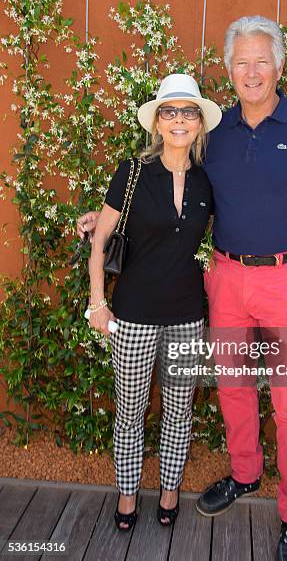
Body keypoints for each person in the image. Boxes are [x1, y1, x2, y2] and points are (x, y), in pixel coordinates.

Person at [79, 16, 287, 560]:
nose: (251, 71)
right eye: (240, 62)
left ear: (279, 65)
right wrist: (106, 217)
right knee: (232, 386)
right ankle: (245, 473)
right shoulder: (217, 136)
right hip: (227, 279)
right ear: (228, 70)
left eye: (261, 60)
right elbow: (170, 196)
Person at [85, 73, 221, 531]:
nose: (178, 120)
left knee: (179, 412)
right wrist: (97, 302)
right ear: (157, 123)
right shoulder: (132, 173)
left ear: (199, 124)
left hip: (187, 316)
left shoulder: (207, 181)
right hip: (134, 315)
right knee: (130, 412)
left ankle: (168, 491)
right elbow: (101, 237)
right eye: (170, 111)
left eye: (187, 112)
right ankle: (127, 496)